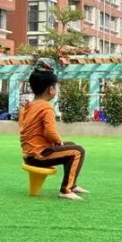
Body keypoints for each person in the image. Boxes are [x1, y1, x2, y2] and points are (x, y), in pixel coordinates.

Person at [19, 58, 88, 201]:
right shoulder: (46, 107)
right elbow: (49, 131)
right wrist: (58, 141)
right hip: (39, 155)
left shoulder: (28, 106)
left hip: (29, 154)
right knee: (78, 151)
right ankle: (66, 190)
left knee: (71, 145)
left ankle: (72, 184)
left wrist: (56, 143)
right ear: (51, 90)